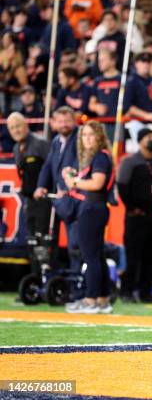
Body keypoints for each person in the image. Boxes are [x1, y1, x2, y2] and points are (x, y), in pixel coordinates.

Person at [63, 120, 114, 314]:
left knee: (90, 256)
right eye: (84, 135)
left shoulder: (100, 157)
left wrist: (74, 181)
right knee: (97, 256)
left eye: (91, 135)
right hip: (96, 208)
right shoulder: (101, 157)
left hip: (92, 209)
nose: (87, 139)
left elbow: (96, 184)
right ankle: (102, 299)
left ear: (99, 136)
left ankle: (90, 299)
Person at [117, 128, 152, 303]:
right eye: (148, 137)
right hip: (135, 217)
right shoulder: (130, 162)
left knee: (151, 256)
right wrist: (131, 208)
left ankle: (146, 292)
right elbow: (122, 186)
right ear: (140, 140)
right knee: (132, 256)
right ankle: (126, 292)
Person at [34, 107, 81, 272]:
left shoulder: (80, 139)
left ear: (74, 121)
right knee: (50, 239)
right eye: (60, 121)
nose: (64, 125)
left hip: (75, 199)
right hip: (58, 198)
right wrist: (40, 186)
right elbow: (48, 166)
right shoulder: (55, 141)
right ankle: (53, 277)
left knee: (75, 243)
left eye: (67, 121)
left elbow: (79, 166)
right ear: (54, 123)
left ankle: (77, 281)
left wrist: (70, 187)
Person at [7, 112, 51, 275]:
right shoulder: (16, 148)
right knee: (31, 241)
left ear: (26, 125)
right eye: (11, 128)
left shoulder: (41, 144)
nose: (15, 130)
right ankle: (34, 280)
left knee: (43, 241)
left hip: (44, 201)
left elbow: (52, 168)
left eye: (18, 126)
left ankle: (47, 280)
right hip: (29, 201)